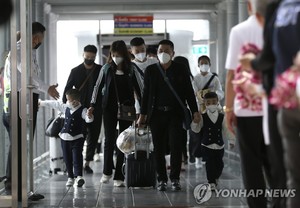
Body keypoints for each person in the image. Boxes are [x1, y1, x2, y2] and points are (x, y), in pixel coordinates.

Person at [2, 22, 59, 199]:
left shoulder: (29, 52)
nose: (38, 42)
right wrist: (47, 88)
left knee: (21, 147)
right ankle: (15, 189)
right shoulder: (19, 52)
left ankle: (19, 188)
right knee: (19, 147)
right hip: (17, 104)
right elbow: (29, 78)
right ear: (34, 37)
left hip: (24, 102)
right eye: (39, 39)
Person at [224, 1, 271, 207]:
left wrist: (229, 109)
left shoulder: (239, 31)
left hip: (246, 110)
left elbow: (231, 74)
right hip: (275, 109)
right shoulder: (282, 29)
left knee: (250, 164)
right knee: (276, 164)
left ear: (249, 6)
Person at [137, 39, 200, 192]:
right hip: (156, 115)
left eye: (166, 51)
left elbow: (188, 92)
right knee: (158, 148)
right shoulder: (151, 71)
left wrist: (195, 111)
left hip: (175, 114)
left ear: (173, 53)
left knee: (176, 146)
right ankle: (162, 179)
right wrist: (143, 115)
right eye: (160, 51)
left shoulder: (181, 69)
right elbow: (146, 95)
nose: (163, 53)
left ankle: (175, 179)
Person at [89, 40, 143, 187]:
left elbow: (140, 89)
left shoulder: (132, 68)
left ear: (124, 55)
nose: (115, 57)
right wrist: (92, 104)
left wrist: (143, 110)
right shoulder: (106, 68)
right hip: (108, 109)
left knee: (124, 142)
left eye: (118, 55)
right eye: (113, 54)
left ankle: (119, 175)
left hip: (127, 109)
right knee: (109, 139)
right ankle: (107, 172)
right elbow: (97, 86)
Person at [40, 89, 93, 187]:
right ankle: (70, 177)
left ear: (76, 101)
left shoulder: (83, 110)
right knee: (67, 158)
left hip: (77, 138)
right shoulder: (65, 107)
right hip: (64, 138)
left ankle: (79, 176)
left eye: (69, 100)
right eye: (67, 100)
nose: (67, 102)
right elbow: (54, 104)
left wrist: (89, 116)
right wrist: (42, 103)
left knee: (77, 157)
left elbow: (88, 119)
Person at [62, 44, 103, 174]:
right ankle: (77, 161)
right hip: (79, 108)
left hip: (95, 108)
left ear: (95, 56)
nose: (89, 59)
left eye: (92, 57)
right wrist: (67, 105)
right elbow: (67, 89)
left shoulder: (100, 70)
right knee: (79, 135)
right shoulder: (76, 71)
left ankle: (87, 162)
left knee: (94, 136)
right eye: (87, 56)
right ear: (83, 55)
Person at [191, 92, 235, 191]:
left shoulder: (222, 117)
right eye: (208, 102)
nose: (211, 104)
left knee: (220, 164)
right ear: (205, 104)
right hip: (206, 145)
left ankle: (215, 178)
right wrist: (195, 122)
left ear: (217, 102)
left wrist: (231, 140)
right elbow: (196, 129)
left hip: (219, 145)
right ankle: (211, 182)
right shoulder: (202, 116)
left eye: (214, 102)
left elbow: (227, 129)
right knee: (210, 163)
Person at [192, 55, 224, 168]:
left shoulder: (214, 78)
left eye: (206, 63)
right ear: (198, 65)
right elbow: (194, 93)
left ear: (209, 65)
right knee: (198, 133)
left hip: (212, 108)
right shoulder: (195, 78)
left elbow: (220, 92)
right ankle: (198, 158)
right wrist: (201, 98)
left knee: (212, 131)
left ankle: (209, 155)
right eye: (202, 63)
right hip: (200, 108)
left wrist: (213, 96)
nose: (204, 65)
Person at [173, 56, 194, 165]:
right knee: (183, 134)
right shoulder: (190, 77)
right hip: (184, 109)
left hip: (178, 109)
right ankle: (183, 157)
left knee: (177, 135)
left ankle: (181, 157)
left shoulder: (178, 77)